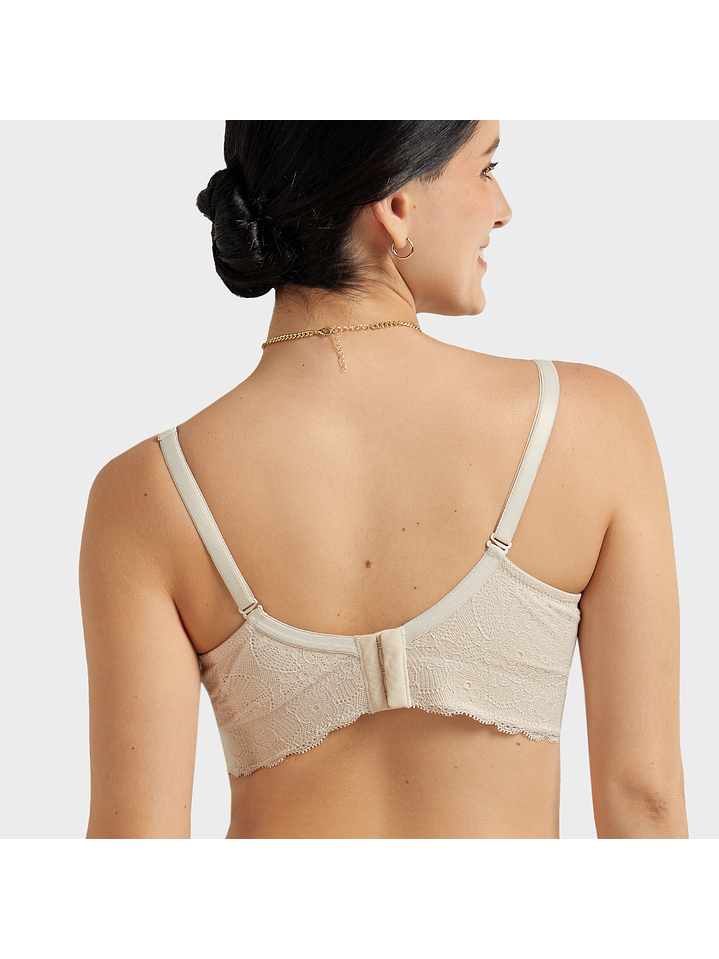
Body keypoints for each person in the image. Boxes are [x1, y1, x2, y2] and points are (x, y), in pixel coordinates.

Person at [80, 120, 688, 840]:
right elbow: (644, 799)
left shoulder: (149, 492)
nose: (502, 209)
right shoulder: (587, 425)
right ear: (396, 208)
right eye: (485, 169)